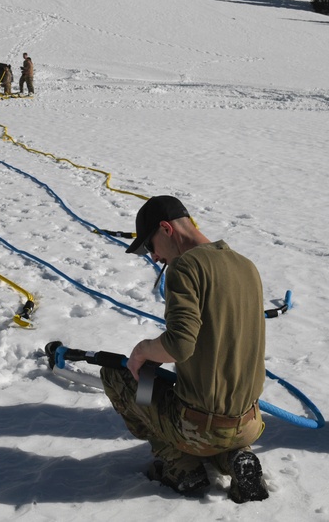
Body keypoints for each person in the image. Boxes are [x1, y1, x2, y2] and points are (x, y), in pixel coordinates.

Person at [101, 196, 269, 503]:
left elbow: (180, 343)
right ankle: (234, 459)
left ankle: (180, 464)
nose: (153, 257)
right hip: (249, 422)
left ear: (166, 229)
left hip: (200, 427)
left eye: (150, 246)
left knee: (117, 375)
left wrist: (142, 351)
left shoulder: (185, 266)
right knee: (201, 413)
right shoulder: (246, 266)